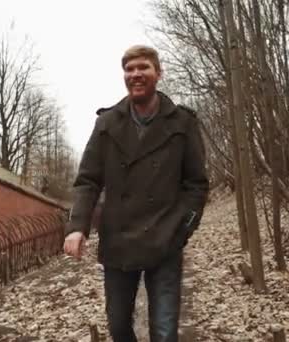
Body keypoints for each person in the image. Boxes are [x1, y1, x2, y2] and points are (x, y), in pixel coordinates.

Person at [63, 45, 209, 342]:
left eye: (143, 67)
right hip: (119, 240)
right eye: (129, 69)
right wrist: (77, 227)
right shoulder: (107, 124)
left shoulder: (182, 123)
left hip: (165, 241)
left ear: (158, 73)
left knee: (165, 332)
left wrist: (182, 228)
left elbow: (196, 184)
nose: (136, 74)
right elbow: (88, 180)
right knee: (118, 328)